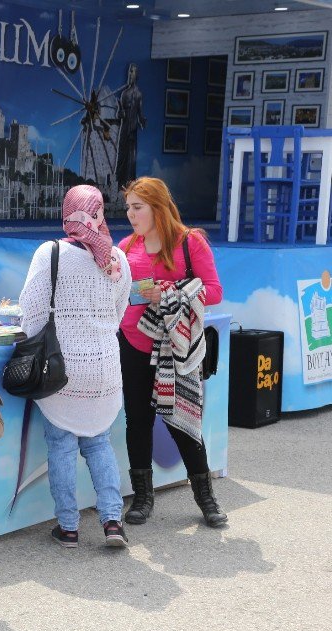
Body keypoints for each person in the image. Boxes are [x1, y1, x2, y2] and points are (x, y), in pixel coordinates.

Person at [18, 185, 132, 549]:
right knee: (99, 443)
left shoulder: (49, 252)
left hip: (62, 370)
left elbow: (31, 312)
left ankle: (68, 527)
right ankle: (113, 521)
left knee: (62, 446)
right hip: (105, 369)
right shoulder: (116, 258)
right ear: (98, 213)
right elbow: (117, 313)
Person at [118, 176, 227, 528]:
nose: (131, 215)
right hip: (132, 342)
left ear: (158, 207)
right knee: (137, 421)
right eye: (129, 208)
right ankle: (143, 499)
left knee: (183, 421)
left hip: (176, 347)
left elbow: (214, 291)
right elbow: (117, 294)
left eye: (138, 207)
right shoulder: (126, 245)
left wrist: (170, 291)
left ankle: (206, 499)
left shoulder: (189, 241)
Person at [115, 63, 146, 188]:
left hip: (132, 130)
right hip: (124, 128)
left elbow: (140, 113)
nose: (130, 74)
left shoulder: (138, 94)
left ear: (136, 75)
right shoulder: (124, 94)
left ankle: (129, 185)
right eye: (129, 71)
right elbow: (119, 113)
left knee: (131, 160)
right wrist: (120, 113)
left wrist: (142, 121)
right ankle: (119, 183)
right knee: (122, 156)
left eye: (132, 72)